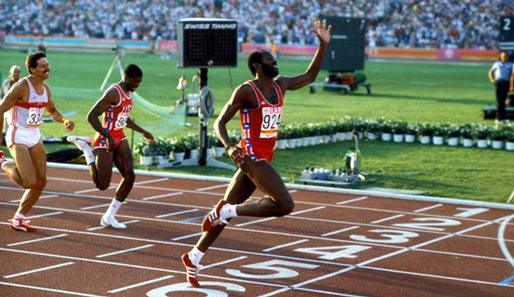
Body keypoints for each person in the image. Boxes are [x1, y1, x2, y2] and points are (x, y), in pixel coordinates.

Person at [181, 19, 331, 287]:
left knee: (221, 216)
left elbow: (309, 77)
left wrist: (322, 45)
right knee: (284, 205)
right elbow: (219, 122)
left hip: (263, 159)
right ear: (258, 66)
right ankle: (228, 211)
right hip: (251, 158)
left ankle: (194, 256)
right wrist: (229, 146)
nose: (277, 63)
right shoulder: (246, 90)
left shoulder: (280, 85)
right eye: (271, 61)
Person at [67, 64, 153, 229]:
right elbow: (91, 116)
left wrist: (143, 131)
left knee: (130, 176)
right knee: (102, 185)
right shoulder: (114, 92)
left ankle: (109, 216)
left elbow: (124, 118)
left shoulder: (129, 92)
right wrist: (107, 136)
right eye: (135, 82)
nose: (137, 86)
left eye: (139, 83)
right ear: (126, 78)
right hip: (105, 138)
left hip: (119, 136)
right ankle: (86, 148)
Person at [0, 52, 75, 232]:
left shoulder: (46, 89)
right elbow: (1, 109)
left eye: (48, 64)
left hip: (34, 135)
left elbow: (52, 110)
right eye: (43, 65)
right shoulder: (21, 87)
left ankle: (18, 219)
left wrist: (64, 119)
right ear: (33, 69)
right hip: (18, 135)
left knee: (41, 182)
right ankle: (3, 163)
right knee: (28, 182)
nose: (47, 68)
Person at [488, 51, 514, 122]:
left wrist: (511, 86)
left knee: (504, 101)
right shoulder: (497, 64)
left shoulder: (511, 65)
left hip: (506, 83)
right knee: (499, 101)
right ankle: (498, 117)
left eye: (506, 56)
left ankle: (503, 117)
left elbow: (512, 76)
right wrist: (492, 79)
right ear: (500, 57)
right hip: (499, 83)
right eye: (504, 56)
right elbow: (490, 72)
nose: (505, 57)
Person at [1, 65, 21, 135]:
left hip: (18, 113)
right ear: (10, 73)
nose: (16, 74)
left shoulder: (22, 85)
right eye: (15, 72)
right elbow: (1, 97)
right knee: (8, 132)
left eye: (18, 72)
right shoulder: (5, 84)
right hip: (7, 111)